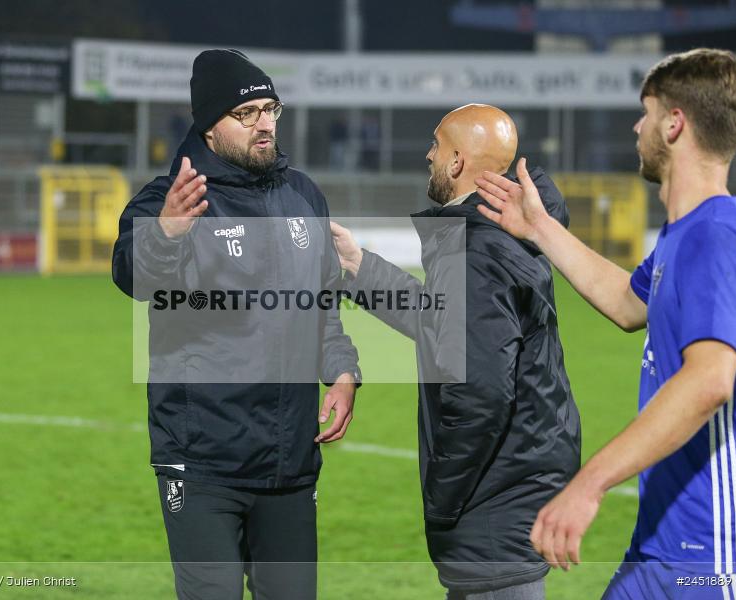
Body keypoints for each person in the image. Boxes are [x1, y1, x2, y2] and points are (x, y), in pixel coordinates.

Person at [475, 48, 736, 599]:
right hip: (661, 544)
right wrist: (539, 229)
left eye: (647, 112)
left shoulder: (716, 236)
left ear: (674, 124)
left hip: (709, 557)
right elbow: (628, 303)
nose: (637, 126)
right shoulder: (682, 236)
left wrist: (590, 484)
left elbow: (709, 381)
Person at [111, 49, 361, 600]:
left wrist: (342, 372)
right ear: (209, 124)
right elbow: (133, 274)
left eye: (270, 109)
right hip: (202, 462)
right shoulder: (170, 199)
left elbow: (322, 300)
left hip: (290, 462)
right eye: (246, 114)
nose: (264, 124)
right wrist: (167, 235)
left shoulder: (303, 195)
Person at [331, 104, 581, 599]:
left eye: (437, 145)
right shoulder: (500, 234)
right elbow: (444, 324)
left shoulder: (475, 252)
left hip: (493, 511)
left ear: (457, 161)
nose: (428, 154)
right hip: (512, 495)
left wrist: (442, 500)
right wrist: (360, 266)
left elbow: (481, 393)